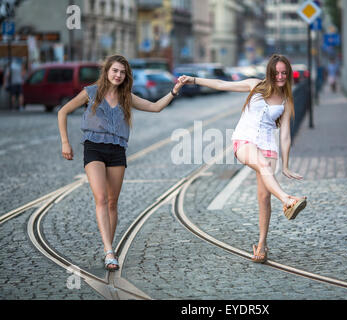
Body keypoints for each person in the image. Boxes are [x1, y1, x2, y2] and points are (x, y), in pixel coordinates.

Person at [57, 54, 184, 271]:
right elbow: (63, 111)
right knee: (101, 198)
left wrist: (174, 91)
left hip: (117, 151)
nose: (118, 75)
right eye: (115, 70)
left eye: (122, 72)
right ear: (107, 71)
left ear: (126, 76)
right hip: (94, 148)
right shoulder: (91, 92)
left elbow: (155, 107)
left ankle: (109, 247)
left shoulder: (127, 97)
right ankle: (109, 251)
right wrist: (65, 143)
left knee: (113, 202)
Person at [178, 54, 307, 263]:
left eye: (284, 73)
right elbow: (221, 84)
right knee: (263, 165)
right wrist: (193, 80)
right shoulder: (255, 86)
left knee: (264, 198)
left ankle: (262, 245)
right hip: (244, 141)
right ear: (270, 73)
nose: (281, 76)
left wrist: (287, 165)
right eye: (277, 73)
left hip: (268, 146)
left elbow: (284, 135)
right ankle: (287, 199)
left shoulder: (287, 100)